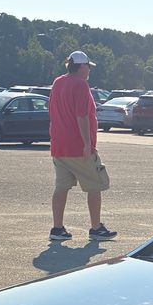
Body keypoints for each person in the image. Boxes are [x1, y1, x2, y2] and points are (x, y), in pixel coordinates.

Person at [48, 51, 115, 242]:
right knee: (95, 185)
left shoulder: (58, 82)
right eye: (88, 66)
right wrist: (87, 143)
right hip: (77, 147)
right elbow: (82, 116)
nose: (90, 69)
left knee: (61, 187)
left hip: (59, 145)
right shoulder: (80, 85)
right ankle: (96, 228)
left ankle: (57, 228)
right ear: (81, 66)